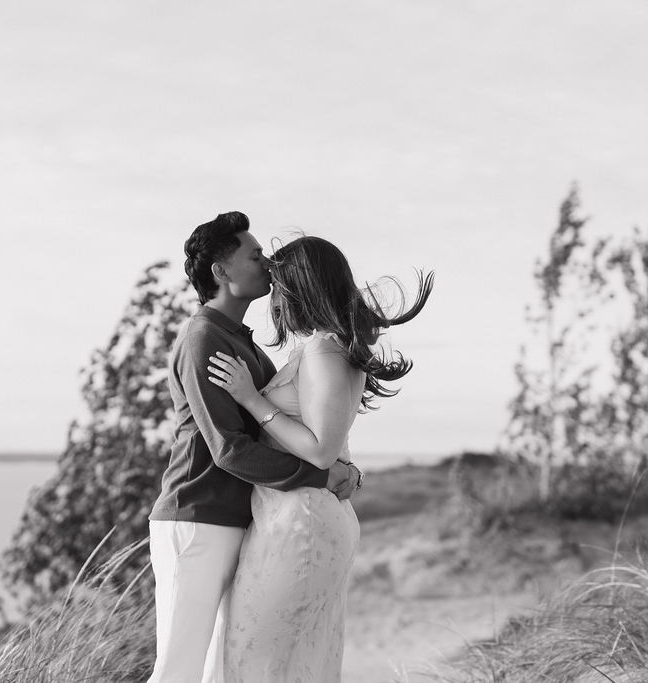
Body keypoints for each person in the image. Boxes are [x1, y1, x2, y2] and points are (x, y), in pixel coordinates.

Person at [146, 212, 362, 683]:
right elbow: (230, 449)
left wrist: (344, 467)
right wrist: (322, 476)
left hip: (240, 519)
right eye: (254, 254)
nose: (267, 263)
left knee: (218, 666)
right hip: (197, 518)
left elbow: (296, 424)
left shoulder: (245, 344)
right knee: (177, 670)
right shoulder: (203, 339)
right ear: (221, 272)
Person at [206, 235, 433, 682]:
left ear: (298, 287)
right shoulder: (325, 347)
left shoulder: (324, 349)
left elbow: (321, 448)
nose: (272, 298)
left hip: (301, 525)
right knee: (298, 662)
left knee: (253, 659)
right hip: (301, 518)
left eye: (276, 285)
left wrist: (252, 400)